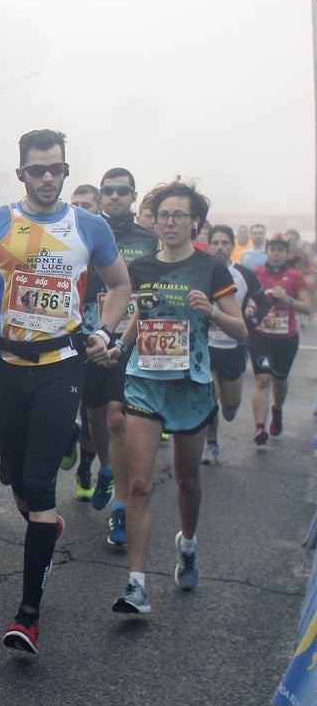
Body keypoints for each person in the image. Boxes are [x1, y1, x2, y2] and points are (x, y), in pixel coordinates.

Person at [0, 128, 131, 654]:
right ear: (21, 174)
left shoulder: (90, 226)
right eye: (38, 169)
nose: (48, 177)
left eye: (56, 168)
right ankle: (41, 521)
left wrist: (105, 332)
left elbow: (119, 285)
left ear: (65, 170)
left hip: (62, 364)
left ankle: (27, 615)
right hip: (6, 364)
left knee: (37, 487)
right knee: (14, 476)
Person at [107, 180, 245, 614]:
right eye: (164, 215)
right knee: (141, 483)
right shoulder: (142, 267)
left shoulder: (212, 269)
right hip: (145, 381)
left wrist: (214, 312)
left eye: (179, 216)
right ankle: (136, 585)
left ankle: (187, 543)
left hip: (191, 384)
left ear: (195, 223)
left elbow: (241, 330)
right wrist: (119, 347)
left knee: (187, 479)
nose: (170, 223)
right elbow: (139, 319)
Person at [79, 168, 158, 546]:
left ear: (133, 195)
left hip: (132, 341)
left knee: (117, 420)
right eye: (108, 191)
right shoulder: (86, 231)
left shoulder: (148, 239)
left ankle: (121, 509)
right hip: (91, 337)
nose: (114, 197)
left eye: (121, 191)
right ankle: (107, 468)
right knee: (95, 415)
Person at [202, 224, 268, 464]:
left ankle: (229, 410)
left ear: (232, 246)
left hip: (233, 347)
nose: (219, 247)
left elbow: (264, 303)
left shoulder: (245, 275)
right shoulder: (200, 271)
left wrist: (249, 323)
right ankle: (211, 444)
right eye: (215, 243)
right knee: (210, 398)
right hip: (206, 346)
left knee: (230, 404)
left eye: (224, 243)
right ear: (209, 245)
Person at [249, 233, 311, 444]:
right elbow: (244, 297)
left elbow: (308, 307)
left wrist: (288, 299)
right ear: (267, 251)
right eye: (272, 249)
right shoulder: (256, 273)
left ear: (286, 253)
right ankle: (259, 427)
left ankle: (277, 410)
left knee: (280, 380)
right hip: (260, 335)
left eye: (280, 250)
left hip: (286, 338)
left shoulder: (295, 276)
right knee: (262, 379)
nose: (276, 254)